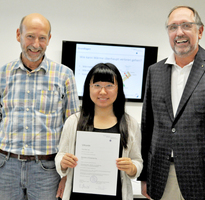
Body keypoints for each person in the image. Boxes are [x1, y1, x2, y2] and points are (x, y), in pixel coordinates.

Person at [138, 5, 205, 200]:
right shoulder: (155, 71)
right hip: (161, 176)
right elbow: (148, 127)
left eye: (186, 25)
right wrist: (144, 176)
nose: (179, 32)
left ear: (200, 31)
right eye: (173, 27)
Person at [0, 13, 80, 200]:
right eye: (30, 36)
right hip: (6, 167)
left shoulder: (65, 76)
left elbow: (73, 129)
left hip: (47, 170)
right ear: (18, 35)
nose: (36, 44)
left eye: (42, 38)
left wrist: (67, 176)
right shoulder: (1, 75)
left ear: (49, 39)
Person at [55, 63, 143, 200]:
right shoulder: (74, 121)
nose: (103, 92)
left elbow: (137, 161)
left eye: (109, 86)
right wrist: (63, 162)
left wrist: (132, 168)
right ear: (88, 88)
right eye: (97, 86)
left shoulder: (130, 124)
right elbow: (60, 155)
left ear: (118, 88)